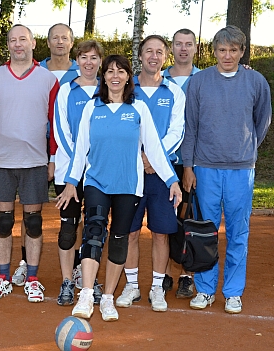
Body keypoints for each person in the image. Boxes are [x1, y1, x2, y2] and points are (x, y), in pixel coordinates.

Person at [56, 54, 182, 321]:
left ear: (128, 77)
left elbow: (155, 149)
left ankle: (109, 298)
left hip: (128, 185)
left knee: (118, 239)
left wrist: (172, 180)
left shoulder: (138, 109)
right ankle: (87, 294)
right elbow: (80, 149)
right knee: (93, 233)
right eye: (110, 71)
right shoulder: (93, 107)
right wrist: (70, 182)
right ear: (104, 77)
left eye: (121, 72)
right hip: (96, 182)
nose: (115, 76)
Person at [181, 25, 271, 314]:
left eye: (234, 50)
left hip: (241, 170)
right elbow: (190, 126)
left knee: (238, 233)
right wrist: (188, 166)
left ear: (243, 51)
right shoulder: (198, 82)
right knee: (205, 233)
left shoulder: (256, 81)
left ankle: (233, 292)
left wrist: (246, 148)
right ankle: (205, 289)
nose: (228, 55)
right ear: (214, 51)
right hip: (205, 168)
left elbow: (262, 121)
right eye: (222, 50)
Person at [0, 24, 59, 303]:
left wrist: (52, 159)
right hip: (1, 162)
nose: (17, 45)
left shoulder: (48, 79)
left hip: (36, 161)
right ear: (9, 45)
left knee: (33, 222)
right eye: (12, 40)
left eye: (22, 39)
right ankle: (2, 277)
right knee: (3, 221)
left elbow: (55, 124)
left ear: (33, 43)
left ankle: (33, 278)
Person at [116, 35, 185, 312]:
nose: (153, 57)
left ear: (165, 57)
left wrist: (153, 159)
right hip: (130, 172)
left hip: (161, 173)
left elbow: (177, 131)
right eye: (148, 51)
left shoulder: (174, 92)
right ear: (140, 56)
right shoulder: (126, 91)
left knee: (160, 233)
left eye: (159, 52)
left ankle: (157, 287)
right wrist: (139, 158)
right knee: (130, 232)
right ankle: (131, 285)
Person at [12, 23, 82, 289]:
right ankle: (24, 264)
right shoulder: (34, 69)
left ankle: (76, 265)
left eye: (65, 38)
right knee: (30, 210)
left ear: (71, 42)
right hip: (35, 148)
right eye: (55, 38)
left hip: (70, 153)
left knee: (75, 213)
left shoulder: (84, 71)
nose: (60, 42)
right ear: (47, 42)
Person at [53, 40, 104, 306]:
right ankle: (66, 281)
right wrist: (80, 162)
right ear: (77, 61)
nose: (88, 62)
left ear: (99, 62)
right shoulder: (65, 91)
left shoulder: (107, 91)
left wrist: (94, 161)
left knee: (93, 228)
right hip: (68, 171)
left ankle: (88, 278)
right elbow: (61, 132)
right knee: (68, 229)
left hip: (98, 173)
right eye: (83, 57)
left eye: (94, 58)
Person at [161, 28, 201, 299]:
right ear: (171, 48)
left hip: (194, 162)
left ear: (196, 48)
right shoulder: (158, 79)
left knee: (189, 218)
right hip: (163, 160)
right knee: (164, 218)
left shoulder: (206, 78)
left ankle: (187, 275)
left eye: (188, 44)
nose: (183, 49)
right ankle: (162, 273)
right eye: (178, 44)